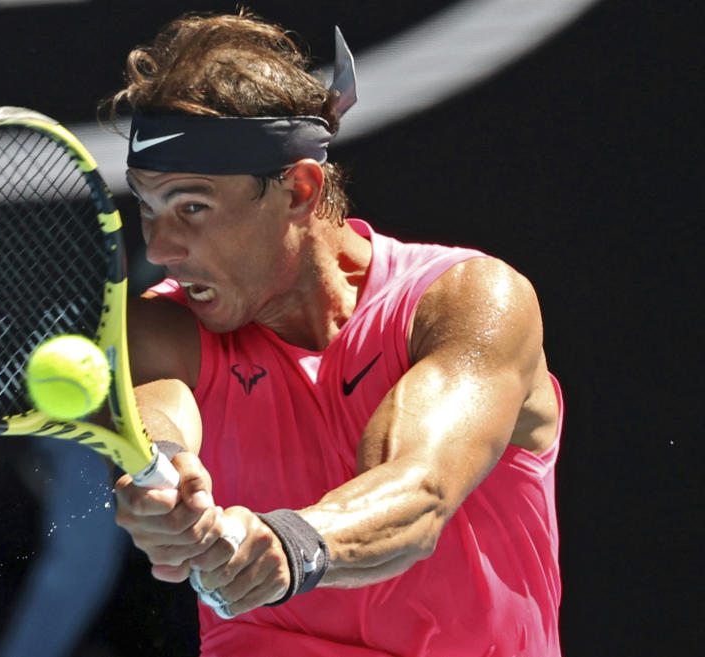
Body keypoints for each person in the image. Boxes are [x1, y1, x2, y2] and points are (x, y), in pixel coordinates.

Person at [105, 10, 563, 657]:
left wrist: (293, 545)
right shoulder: (164, 323)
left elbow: (418, 487)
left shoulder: (471, 301)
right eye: (148, 207)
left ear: (298, 189)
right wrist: (167, 486)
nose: (161, 245)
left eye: (192, 207)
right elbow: (160, 419)